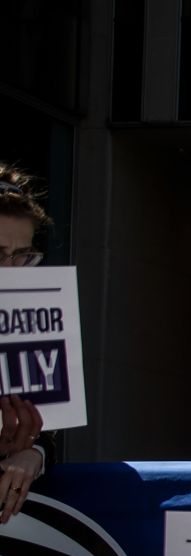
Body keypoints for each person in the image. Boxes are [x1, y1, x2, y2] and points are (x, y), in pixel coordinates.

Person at [0, 163, 55, 523]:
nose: (13, 269)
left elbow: (49, 430)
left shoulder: (32, 329)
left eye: (23, 255)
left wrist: (32, 454)